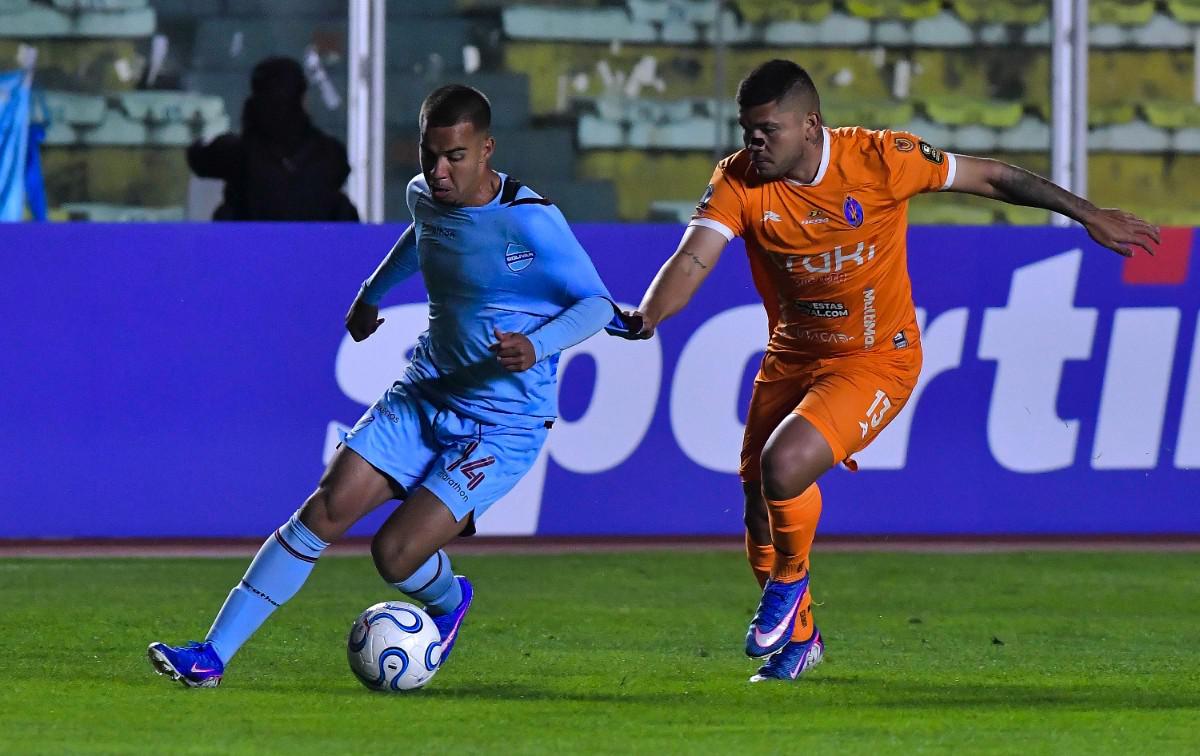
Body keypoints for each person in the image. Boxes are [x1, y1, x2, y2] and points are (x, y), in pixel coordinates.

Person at [608, 59, 1159, 683]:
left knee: (783, 465)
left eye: (768, 129)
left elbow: (993, 177)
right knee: (759, 508)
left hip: (877, 358)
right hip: (792, 358)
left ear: (810, 124)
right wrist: (648, 315)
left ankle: (789, 583)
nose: (753, 142)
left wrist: (1087, 213)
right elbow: (693, 258)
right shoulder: (737, 180)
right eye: (746, 130)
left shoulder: (880, 158)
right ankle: (804, 637)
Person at [149, 84, 619, 687]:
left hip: (503, 426)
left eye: (455, 156)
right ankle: (210, 656)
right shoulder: (424, 196)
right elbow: (422, 238)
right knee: (327, 506)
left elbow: (597, 304)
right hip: (425, 392)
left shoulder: (532, 221)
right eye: (430, 155)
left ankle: (450, 601)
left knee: (394, 554)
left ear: (487, 150)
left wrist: (537, 345)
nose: (440, 171)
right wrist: (373, 291)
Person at [187, 56, 359, 221]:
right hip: (317, 249)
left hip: (250, 248)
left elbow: (199, 157)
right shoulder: (330, 153)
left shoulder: (239, 155)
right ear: (303, 99)